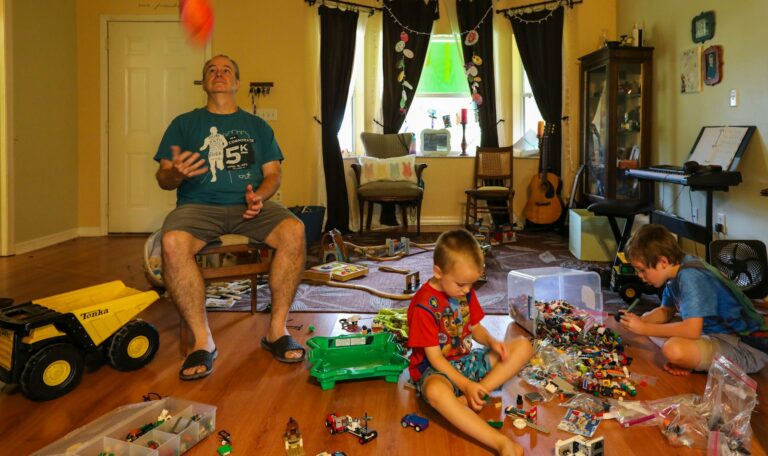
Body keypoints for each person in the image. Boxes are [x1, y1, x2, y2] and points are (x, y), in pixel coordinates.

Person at [154, 54, 306, 380]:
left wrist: (260, 196)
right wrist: (177, 174)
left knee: (294, 229)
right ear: (205, 82)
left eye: (226, 70)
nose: (219, 74)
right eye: (212, 70)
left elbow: (274, 174)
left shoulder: (257, 126)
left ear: (236, 83)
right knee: (171, 242)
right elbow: (163, 177)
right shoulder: (183, 124)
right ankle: (202, 341)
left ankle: (276, 332)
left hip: (250, 206)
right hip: (198, 207)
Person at [407, 229, 532, 456]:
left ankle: (469, 399)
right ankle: (501, 443)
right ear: (438, 271)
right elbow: (434, 358)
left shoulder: (463, 290)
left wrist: (493, 343)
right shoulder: (424, 306)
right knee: (435, 392)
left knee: (523, 345)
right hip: (435, 371)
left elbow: (475, 328)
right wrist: (466, 384)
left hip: (466, 362)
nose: (467, 291)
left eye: (471, 285)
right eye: (461, 284)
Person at [621, 224, 768, 376]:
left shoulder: (690, 276)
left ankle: (692, 360)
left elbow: (691, 330)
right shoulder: (676, 271)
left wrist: (643, 329)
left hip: (746, 348)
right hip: (711, 333)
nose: (639, 275)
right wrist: (638, 322)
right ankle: (695, 358)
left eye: (642, 269)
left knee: (673, 350)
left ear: (663, 262)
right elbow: (666, 311)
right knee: (646, 319)